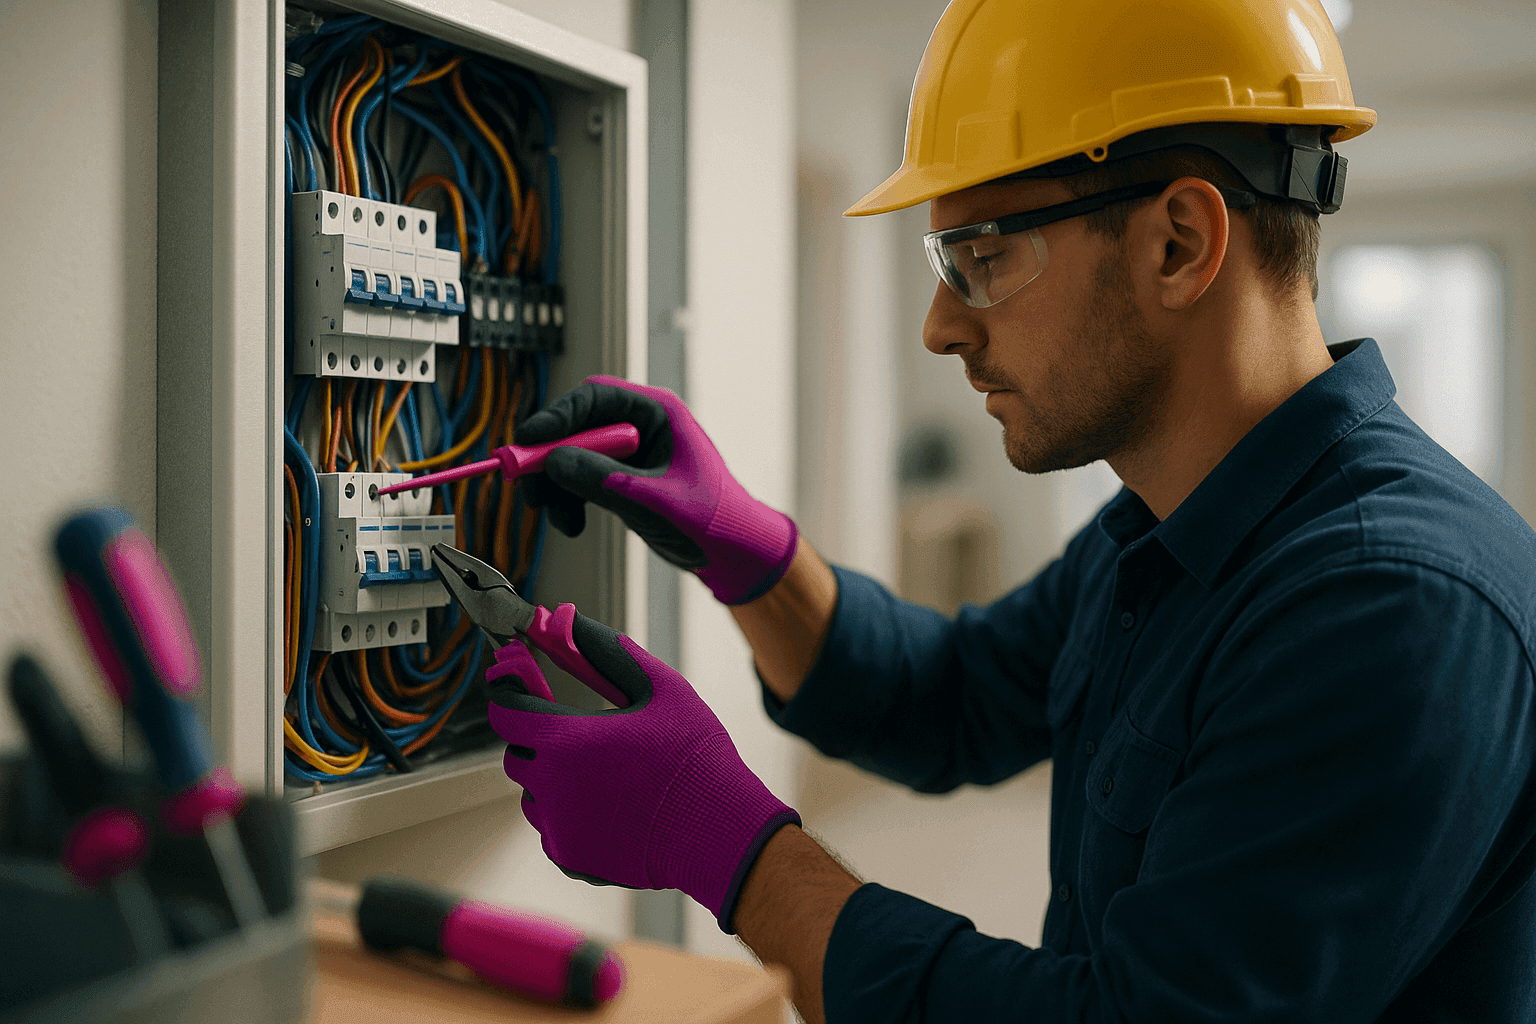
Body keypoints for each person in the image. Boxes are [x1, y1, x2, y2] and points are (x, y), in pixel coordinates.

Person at [484, 0, 1536, 1020]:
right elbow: (954, 695)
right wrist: (749, 552)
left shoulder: (1390, 609)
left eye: (981, 259)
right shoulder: (1166, 524)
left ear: (1177, 242)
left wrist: (730, 846)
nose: (942, 328)